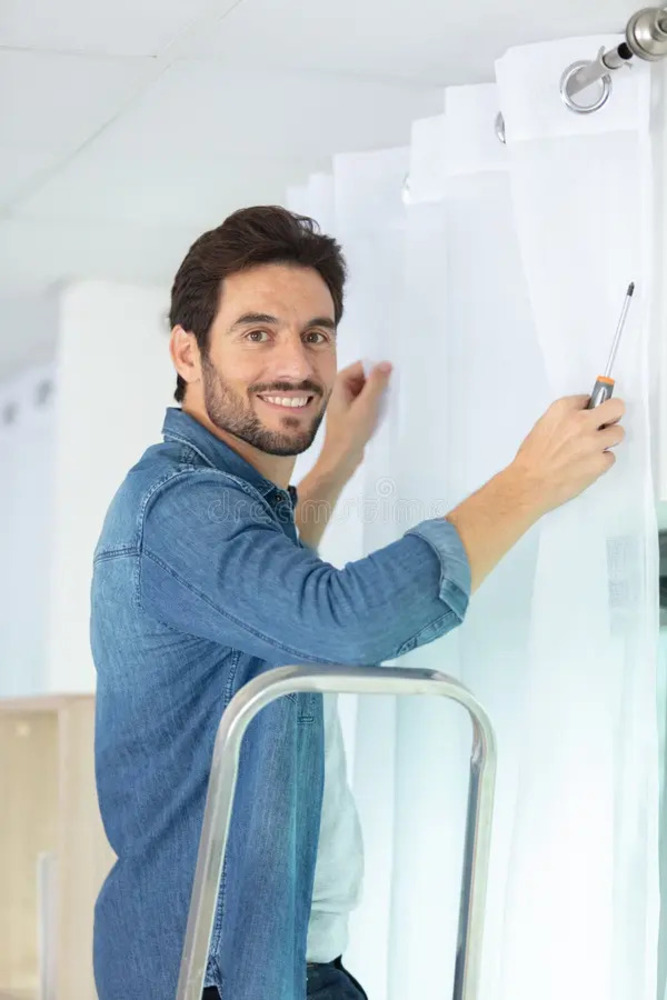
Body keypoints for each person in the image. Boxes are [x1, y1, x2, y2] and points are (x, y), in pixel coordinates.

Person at [90, 205, 625, 1000]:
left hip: (283, 962)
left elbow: (266, 603)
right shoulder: (178, 506)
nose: (297, 365)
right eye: (257, 333)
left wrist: (336, 460)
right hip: (216, 973)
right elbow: (339, 620)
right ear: (185, 350)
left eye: (315, 334)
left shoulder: (226, 504)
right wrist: (528, 483)